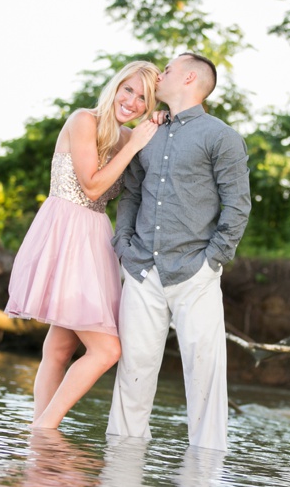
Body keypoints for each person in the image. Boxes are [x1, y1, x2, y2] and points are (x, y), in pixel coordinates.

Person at [106, 53, 251, 451]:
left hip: (196, 274)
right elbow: (131, 193)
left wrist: (213, 261)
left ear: (189, 78)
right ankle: (121, 483)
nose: (159, 75)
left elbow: (237, 205)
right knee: (132, 376)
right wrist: (124, 246)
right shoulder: (147, 132)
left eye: (166, 70)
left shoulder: (221, 137)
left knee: (205, 380)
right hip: (142, 271)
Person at [5, 61, 161, 429]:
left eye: (144, 98)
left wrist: (145, 136)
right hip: (66, 231)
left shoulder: (129, 138)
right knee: (107, 349)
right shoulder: (83, 120)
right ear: (115, 86)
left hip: (96, 239)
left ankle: (38, 437)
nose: (133, 101)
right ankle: (45, 427)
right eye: (128, 90)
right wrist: (136, 142)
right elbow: (91, 186)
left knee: (60, 348)